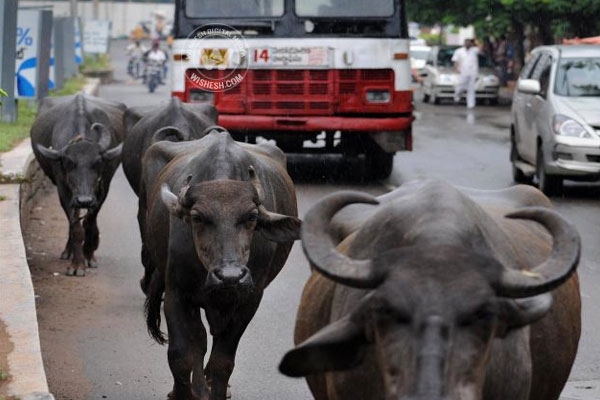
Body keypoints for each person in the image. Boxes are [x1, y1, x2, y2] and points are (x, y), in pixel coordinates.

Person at [452, 38, 479, 109]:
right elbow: (456, 61)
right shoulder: (459, 51)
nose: (468, 44)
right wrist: (456, 68)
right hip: (462, 72)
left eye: (469, 43)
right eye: (466, 43)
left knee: (471, 89)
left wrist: (476, 41)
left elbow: (481, 49)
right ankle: (457, 98)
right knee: (460, 87)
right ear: (464, 43)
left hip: (472, 72)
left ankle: (471, 104)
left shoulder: (474, 50)